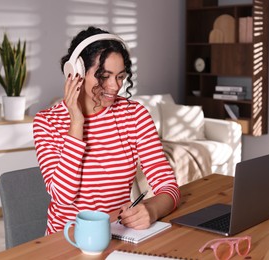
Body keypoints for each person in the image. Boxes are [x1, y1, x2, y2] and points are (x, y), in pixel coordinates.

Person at [33, 26, 180, 235]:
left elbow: (168, 186)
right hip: (66, 239)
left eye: (120, 76)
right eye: (104, 76)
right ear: (76, 73)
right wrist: (76, 122)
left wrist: (151, 209)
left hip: (120, 234)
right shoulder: (47, 122)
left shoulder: (135, 115)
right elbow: (63, 196)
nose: (114, 86)